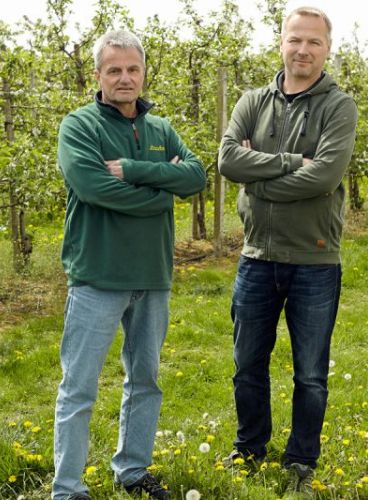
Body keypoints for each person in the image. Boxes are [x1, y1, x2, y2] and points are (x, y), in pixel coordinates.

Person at [53, 30, 206, 500]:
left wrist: (138, 171)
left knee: (145, 380)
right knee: (79, 389)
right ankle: (68, 489)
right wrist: (162, 197)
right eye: (114, 70)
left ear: (143, 73)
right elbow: (95, 188)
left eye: (132, 69)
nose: (124, 78)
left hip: (153, 278)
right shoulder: (79, 126)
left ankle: (133, 472)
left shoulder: (160, 129)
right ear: (98, 75)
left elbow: (197, 175)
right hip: (97, 277)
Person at [218, 6, 357, 495]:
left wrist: (259, 182)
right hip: (256, 257)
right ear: (281, 42)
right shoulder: (253, 101)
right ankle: (250, 448)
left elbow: (325, 176)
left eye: (313, 42)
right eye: (295, 40)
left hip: (315, 261)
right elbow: (228, 159)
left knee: (311, 374)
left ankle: (301, 459)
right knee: (246, 365)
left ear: (327, 49)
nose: (303, 50)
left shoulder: (338, 106)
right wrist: (287, 163)